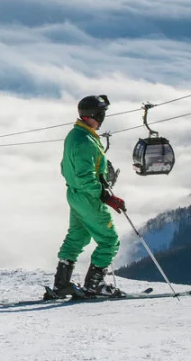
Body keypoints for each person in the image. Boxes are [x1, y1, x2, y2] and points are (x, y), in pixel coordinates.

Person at [50, 94, 127, 298]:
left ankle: (61, 284)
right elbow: (85, 177)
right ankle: (94, 285)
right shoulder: (85, 141)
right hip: (87, 196)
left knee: (78, 236)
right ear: (95, 115)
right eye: (102, 114)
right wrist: (105, 196)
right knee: (109, 240)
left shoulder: (75, 135)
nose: (103, 119)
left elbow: (64, 167)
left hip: (75, 194)